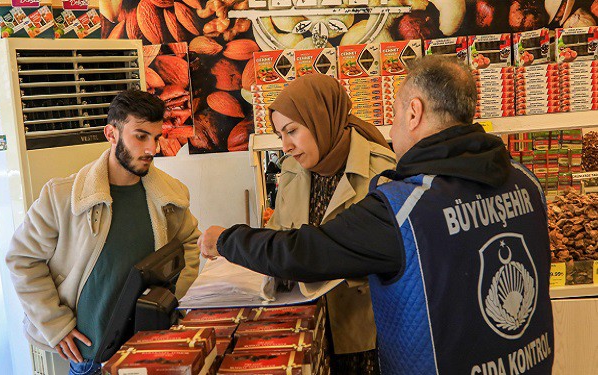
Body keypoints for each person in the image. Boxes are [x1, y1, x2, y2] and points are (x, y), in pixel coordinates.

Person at [199, 57, 554, 374]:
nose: (390, 125)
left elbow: (305, 251)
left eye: (396, 112)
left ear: (413, 112)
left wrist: (227, 239)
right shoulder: (526, 182)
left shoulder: (403, 206)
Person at [6, 90, 201, 375]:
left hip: (151, 352)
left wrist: (170, 302)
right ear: (111, 134)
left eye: (156, 137)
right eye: (140, 136)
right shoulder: (61, 197)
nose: (152, 149)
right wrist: (55, 324)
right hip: (90, 361)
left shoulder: (170, 195)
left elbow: (190, 244)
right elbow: (22, 259)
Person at [266, 73, 399, 373]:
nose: (286, 145)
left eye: (293, 131)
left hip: (365, 336)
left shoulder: (382, 170)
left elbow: (398, 256)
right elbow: (277, 233)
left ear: (321, 118)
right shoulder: (291, 170)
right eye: (280, 136)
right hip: (306, 329)